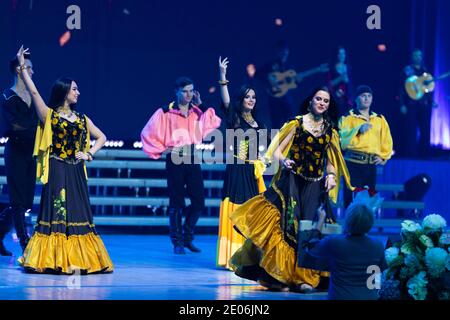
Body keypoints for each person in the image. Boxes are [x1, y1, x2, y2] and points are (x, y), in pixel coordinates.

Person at [229, 86, 353, 293]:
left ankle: (305, 277)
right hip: (292, 182)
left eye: (326, 101)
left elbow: (331, 162)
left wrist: (331, 176)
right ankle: (282, 276)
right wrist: (284, 160)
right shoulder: (297, 123)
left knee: (309, 230)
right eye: (318, 99)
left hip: (314, 185)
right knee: (288, 227)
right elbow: (276, 149)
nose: (322, 103)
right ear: (310, 101)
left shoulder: (330, 130)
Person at [16, 46, 113, 274]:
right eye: (74, 89)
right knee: (58, 213)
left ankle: (80, 259)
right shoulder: (49, 115)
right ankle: (54, 259)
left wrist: (89, 153)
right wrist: (22, 68)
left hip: (76, 171)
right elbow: (35, 94)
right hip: (57, 168)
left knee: (79, 212)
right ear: (64, 92)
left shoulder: (81, 118)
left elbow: (102, 137)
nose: (78, 93)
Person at [141, 77, 221, 254]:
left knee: (199, 201)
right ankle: (177, 241)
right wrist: (162, 150)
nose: (189, 94)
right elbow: (147, 132)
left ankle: (187, 237)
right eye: (185, 91)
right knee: (177, 202)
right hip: (175, 157)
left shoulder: (196, 112)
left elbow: (215, 122)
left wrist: (202, 105)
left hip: (192, 157)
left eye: (191, 90)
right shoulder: (166, 112)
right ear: (176, 91)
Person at [216, 57, 267, 269]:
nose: (251, 100)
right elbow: (227, 102)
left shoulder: (260, 123)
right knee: (235, 209)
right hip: (237, 168)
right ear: (242, 100)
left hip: (252, 171)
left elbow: (263, 148)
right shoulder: (235, 118)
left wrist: (262, 161)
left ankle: (248, 256)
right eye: (247, 97)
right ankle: (232, 255)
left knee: (252, 211)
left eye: (254, 97)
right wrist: (223, 77)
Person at [299, 191, 387, 300]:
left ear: (348, 219)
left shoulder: (335, 242)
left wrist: (320, 220)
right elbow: (378, 276)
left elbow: (311, 247)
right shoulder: (377, 246)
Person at [0, 51, 38, 256]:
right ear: (19, 69)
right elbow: (14, 126)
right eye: (29, 67)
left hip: (31, 153)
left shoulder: (34, 95)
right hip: (15, 151)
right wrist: (36, 128)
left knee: (25, 201)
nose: (33, 71)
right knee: (16, 199)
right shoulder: (7, 96)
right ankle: (26, 244)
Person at [339, 85, 393, 208]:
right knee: (352, 200)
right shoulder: (348, 117)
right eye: (363, 96)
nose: (366, 99)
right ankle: (351, 226)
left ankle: (365, 226)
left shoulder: (379, 119)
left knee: (369, 199)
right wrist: (357, 130)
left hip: (370, 164)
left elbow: (386, 140)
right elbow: (341, 138)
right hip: (352, 163)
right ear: (356, 99)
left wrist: (383, 157)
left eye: (369, 96)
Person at [399, 49, 437, 158]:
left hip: (423, 105)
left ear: (422, 57)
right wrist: (402, 104)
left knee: (425, 130)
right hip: (411, 105)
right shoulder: (407, 70)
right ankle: (411, 155)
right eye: (415, 55)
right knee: (411, 131)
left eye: (419, 55)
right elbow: (401, 88)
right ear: (412, 57)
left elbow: (427, 89)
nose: (417, 57)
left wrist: (431, 101)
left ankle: (424, 155)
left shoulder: (425, 71)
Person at [327, 46, 352, 115]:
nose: (342, 56)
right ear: (336, 55)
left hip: (346, 99)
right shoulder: (331, 68)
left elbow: (350, 85)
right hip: (335, 98)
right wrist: (340, 78)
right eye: (340, 54)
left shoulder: (348, 67)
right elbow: (328, 84)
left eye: (343, 54)